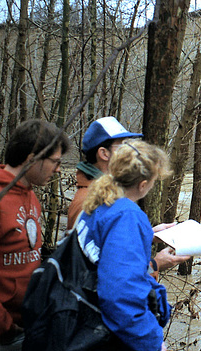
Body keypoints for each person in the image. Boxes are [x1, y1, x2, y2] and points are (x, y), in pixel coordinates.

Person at [0, 119, 70, 350]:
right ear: (31, 159)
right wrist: (2, 327)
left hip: (16, 328)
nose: (58, 169)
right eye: (55, 162)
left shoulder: (31, 197)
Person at [74, 139, 177, 351]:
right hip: (104, 334)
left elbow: (104, 255)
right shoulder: (127, 216)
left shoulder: (101, 201)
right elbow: (120, 296)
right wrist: (152, 342)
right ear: (143, 184)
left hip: (81, 319)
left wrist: (147, 235)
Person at [67, 116, 187, 274]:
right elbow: (103, 274)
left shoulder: (104, 194)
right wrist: (155, 264)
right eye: (123, 145)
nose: (131, 149)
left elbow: (105, 241)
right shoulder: (88, 201)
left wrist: (147, 234)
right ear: (104, 153)